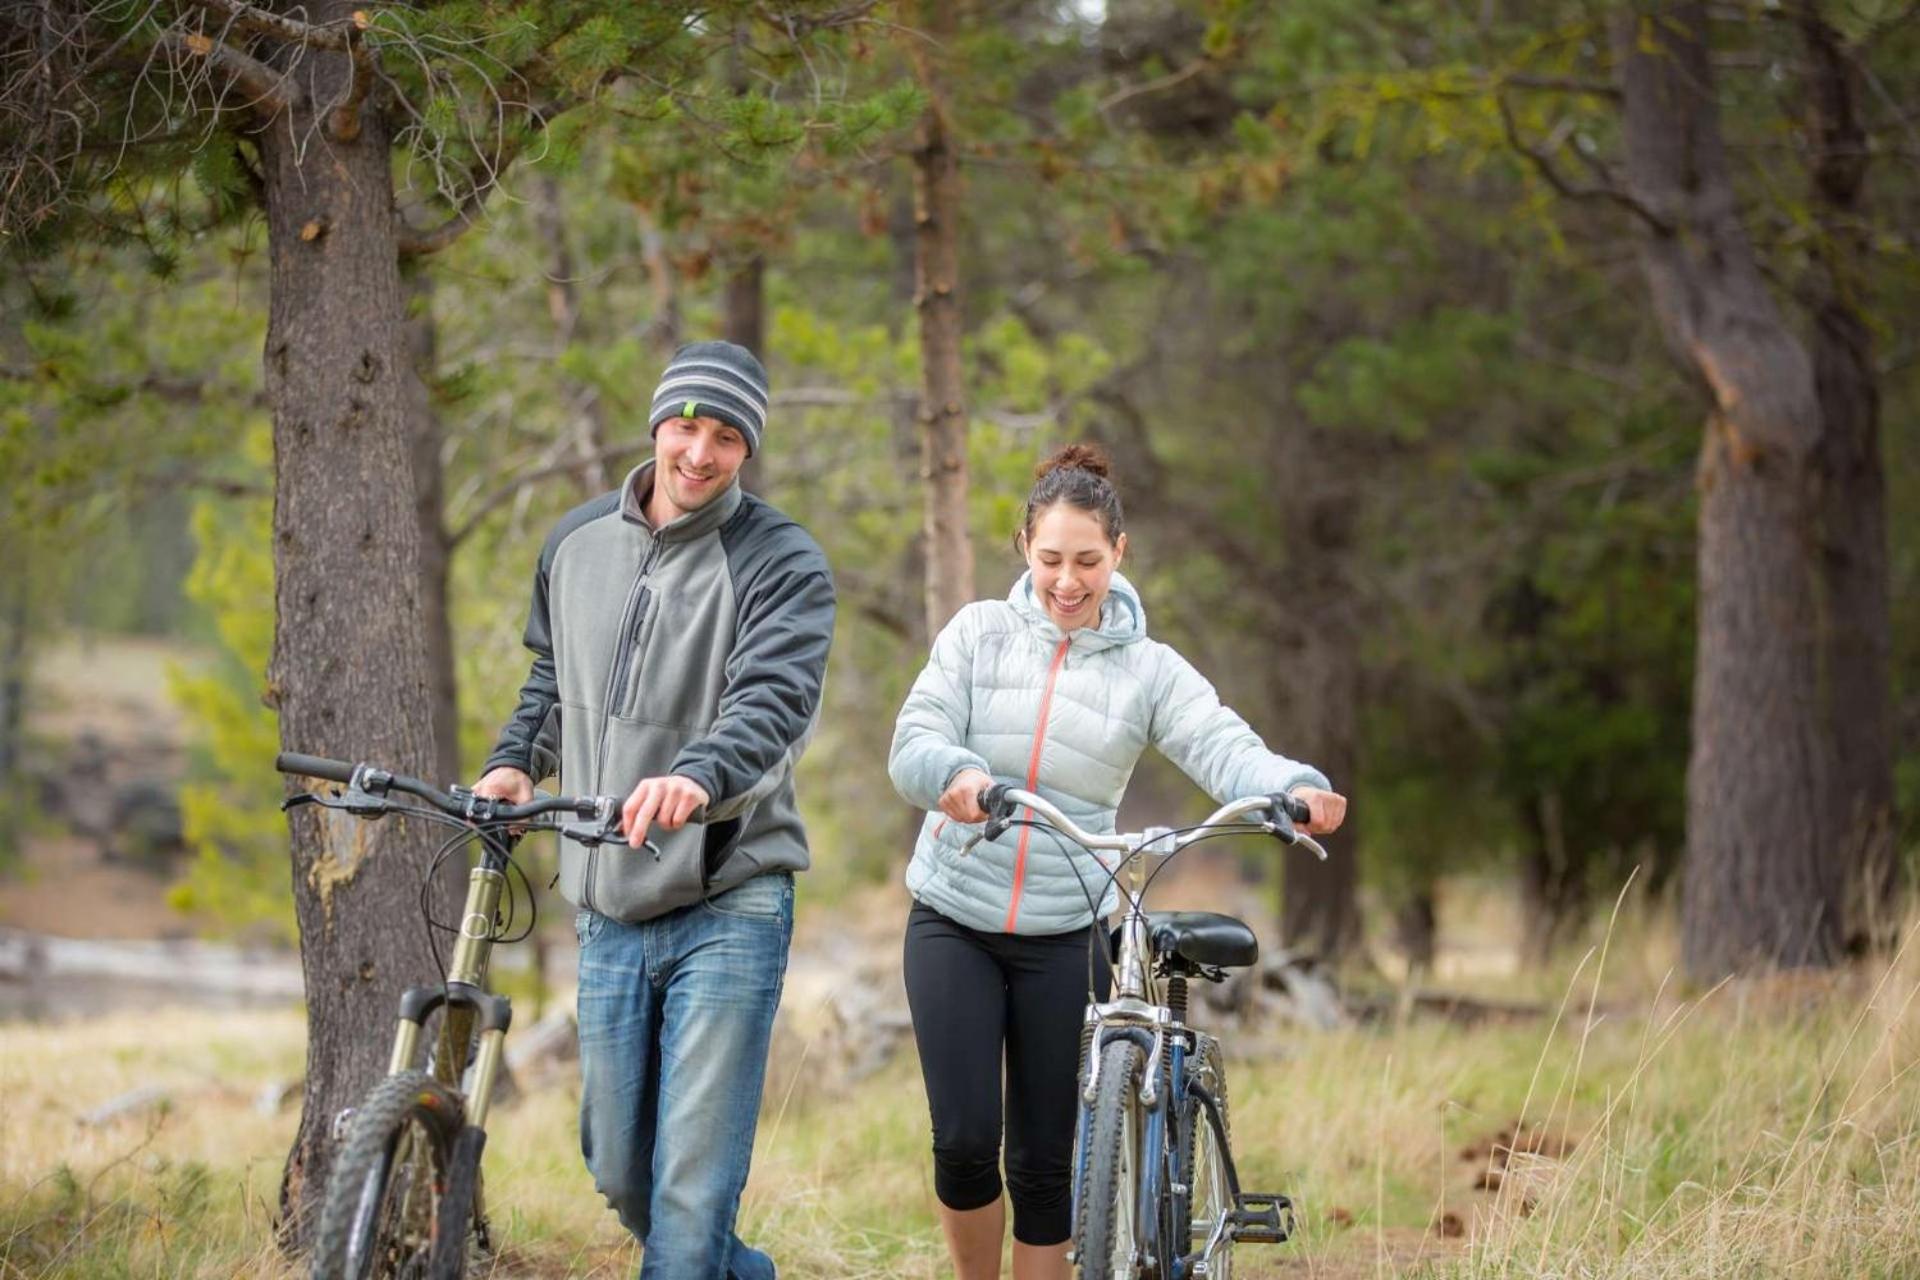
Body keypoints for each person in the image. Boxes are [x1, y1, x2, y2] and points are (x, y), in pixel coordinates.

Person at [887, 444, 1347, 1280]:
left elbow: (1221, 744)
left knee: (1043, 1164)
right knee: (962, 1142)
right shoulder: (978, 636)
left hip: (1068, 932)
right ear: (1025, 545)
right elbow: (915, 738)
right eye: (1052, 558)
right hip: (954, 916)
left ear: (1120, 554)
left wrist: (1292, 786)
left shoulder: (1148, 670)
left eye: (1089, 561)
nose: (1069, 581)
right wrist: (955, 776)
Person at [474, 340, 835, 1280]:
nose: (700, 452)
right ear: (657, 424)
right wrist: (518, 762)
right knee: (617, 1167)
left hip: (729, 897)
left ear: (747, 450)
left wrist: (698, 776)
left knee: (689, 1194)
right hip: (608, 899)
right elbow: (554, 675)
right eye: (687, 425)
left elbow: (774, 703)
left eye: (726, 436)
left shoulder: (782, 561)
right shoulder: (577, 540)